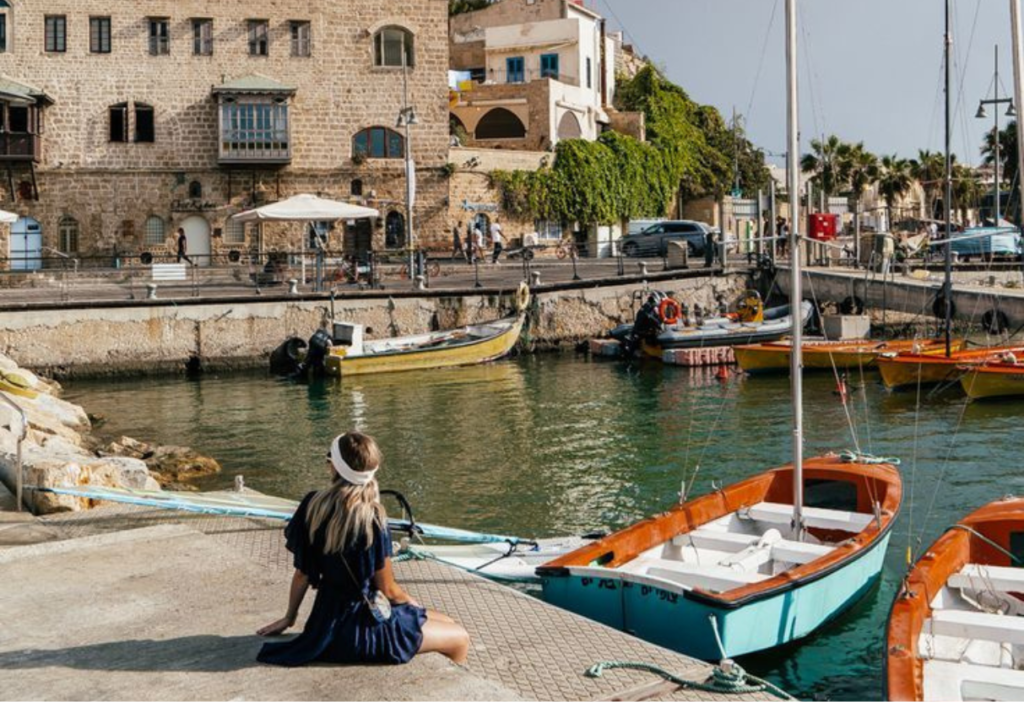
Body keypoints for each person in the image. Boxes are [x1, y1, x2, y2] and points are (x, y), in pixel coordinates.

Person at [258, 432, 470, 667]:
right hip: (364, 631)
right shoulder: (373, 518)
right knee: (459, 637)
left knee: (444, 622)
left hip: (323, 626)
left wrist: (289, 618)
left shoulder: (312, 506)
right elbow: (388, 590)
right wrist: (414, 604)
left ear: (333, 467)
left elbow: (302, 574)